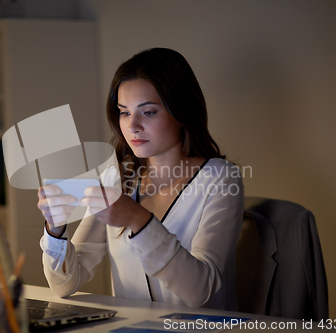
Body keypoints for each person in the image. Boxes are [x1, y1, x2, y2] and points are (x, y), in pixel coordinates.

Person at [37, 48, 244, 310]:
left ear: (181, 112)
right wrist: (55, 228)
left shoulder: (221, 179)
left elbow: (199, 291)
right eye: (124, 112)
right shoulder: (116, 177)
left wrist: (138, 219)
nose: (132, 125)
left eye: (148, 112)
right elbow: (65, 284)